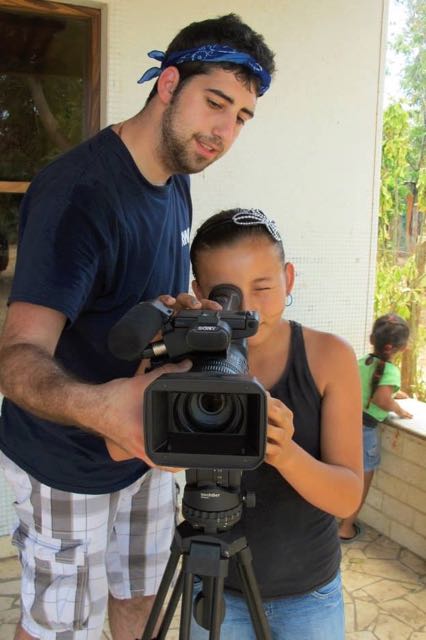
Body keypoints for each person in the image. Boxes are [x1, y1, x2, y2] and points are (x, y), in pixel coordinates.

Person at [0, 15, 275, 640]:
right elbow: (15, 358)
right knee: (59, 629)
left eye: (241, 117)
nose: (224, 131)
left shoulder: (174, 181)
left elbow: (131, 302)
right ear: (168, 82)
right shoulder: (79, 193)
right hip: (65, 458)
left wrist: (181, 313)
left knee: (143, 599)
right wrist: (103, 409)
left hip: (146, 447)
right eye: (215, 103)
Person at [187, 208, 364, 640]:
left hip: (309, 595)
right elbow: (146, 459)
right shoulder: (189, 361)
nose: (247, 309)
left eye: (262, 287)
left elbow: (347, 499)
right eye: (226, 294)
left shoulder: (329, 358)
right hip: (216, 586)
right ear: (199, 292)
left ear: (288, 278)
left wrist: (285, 453)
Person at [338, 313, 412, 542]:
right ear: (400, 347)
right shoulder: (390, 371)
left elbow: (369, 387)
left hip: (346, 427)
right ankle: (346, 527)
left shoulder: (363, 362)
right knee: (363, 480)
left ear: (373, 339)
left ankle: (334, 517)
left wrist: (393, 392)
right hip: (365, 432)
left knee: (343, 475)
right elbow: (381, 399)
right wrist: (399, 409)